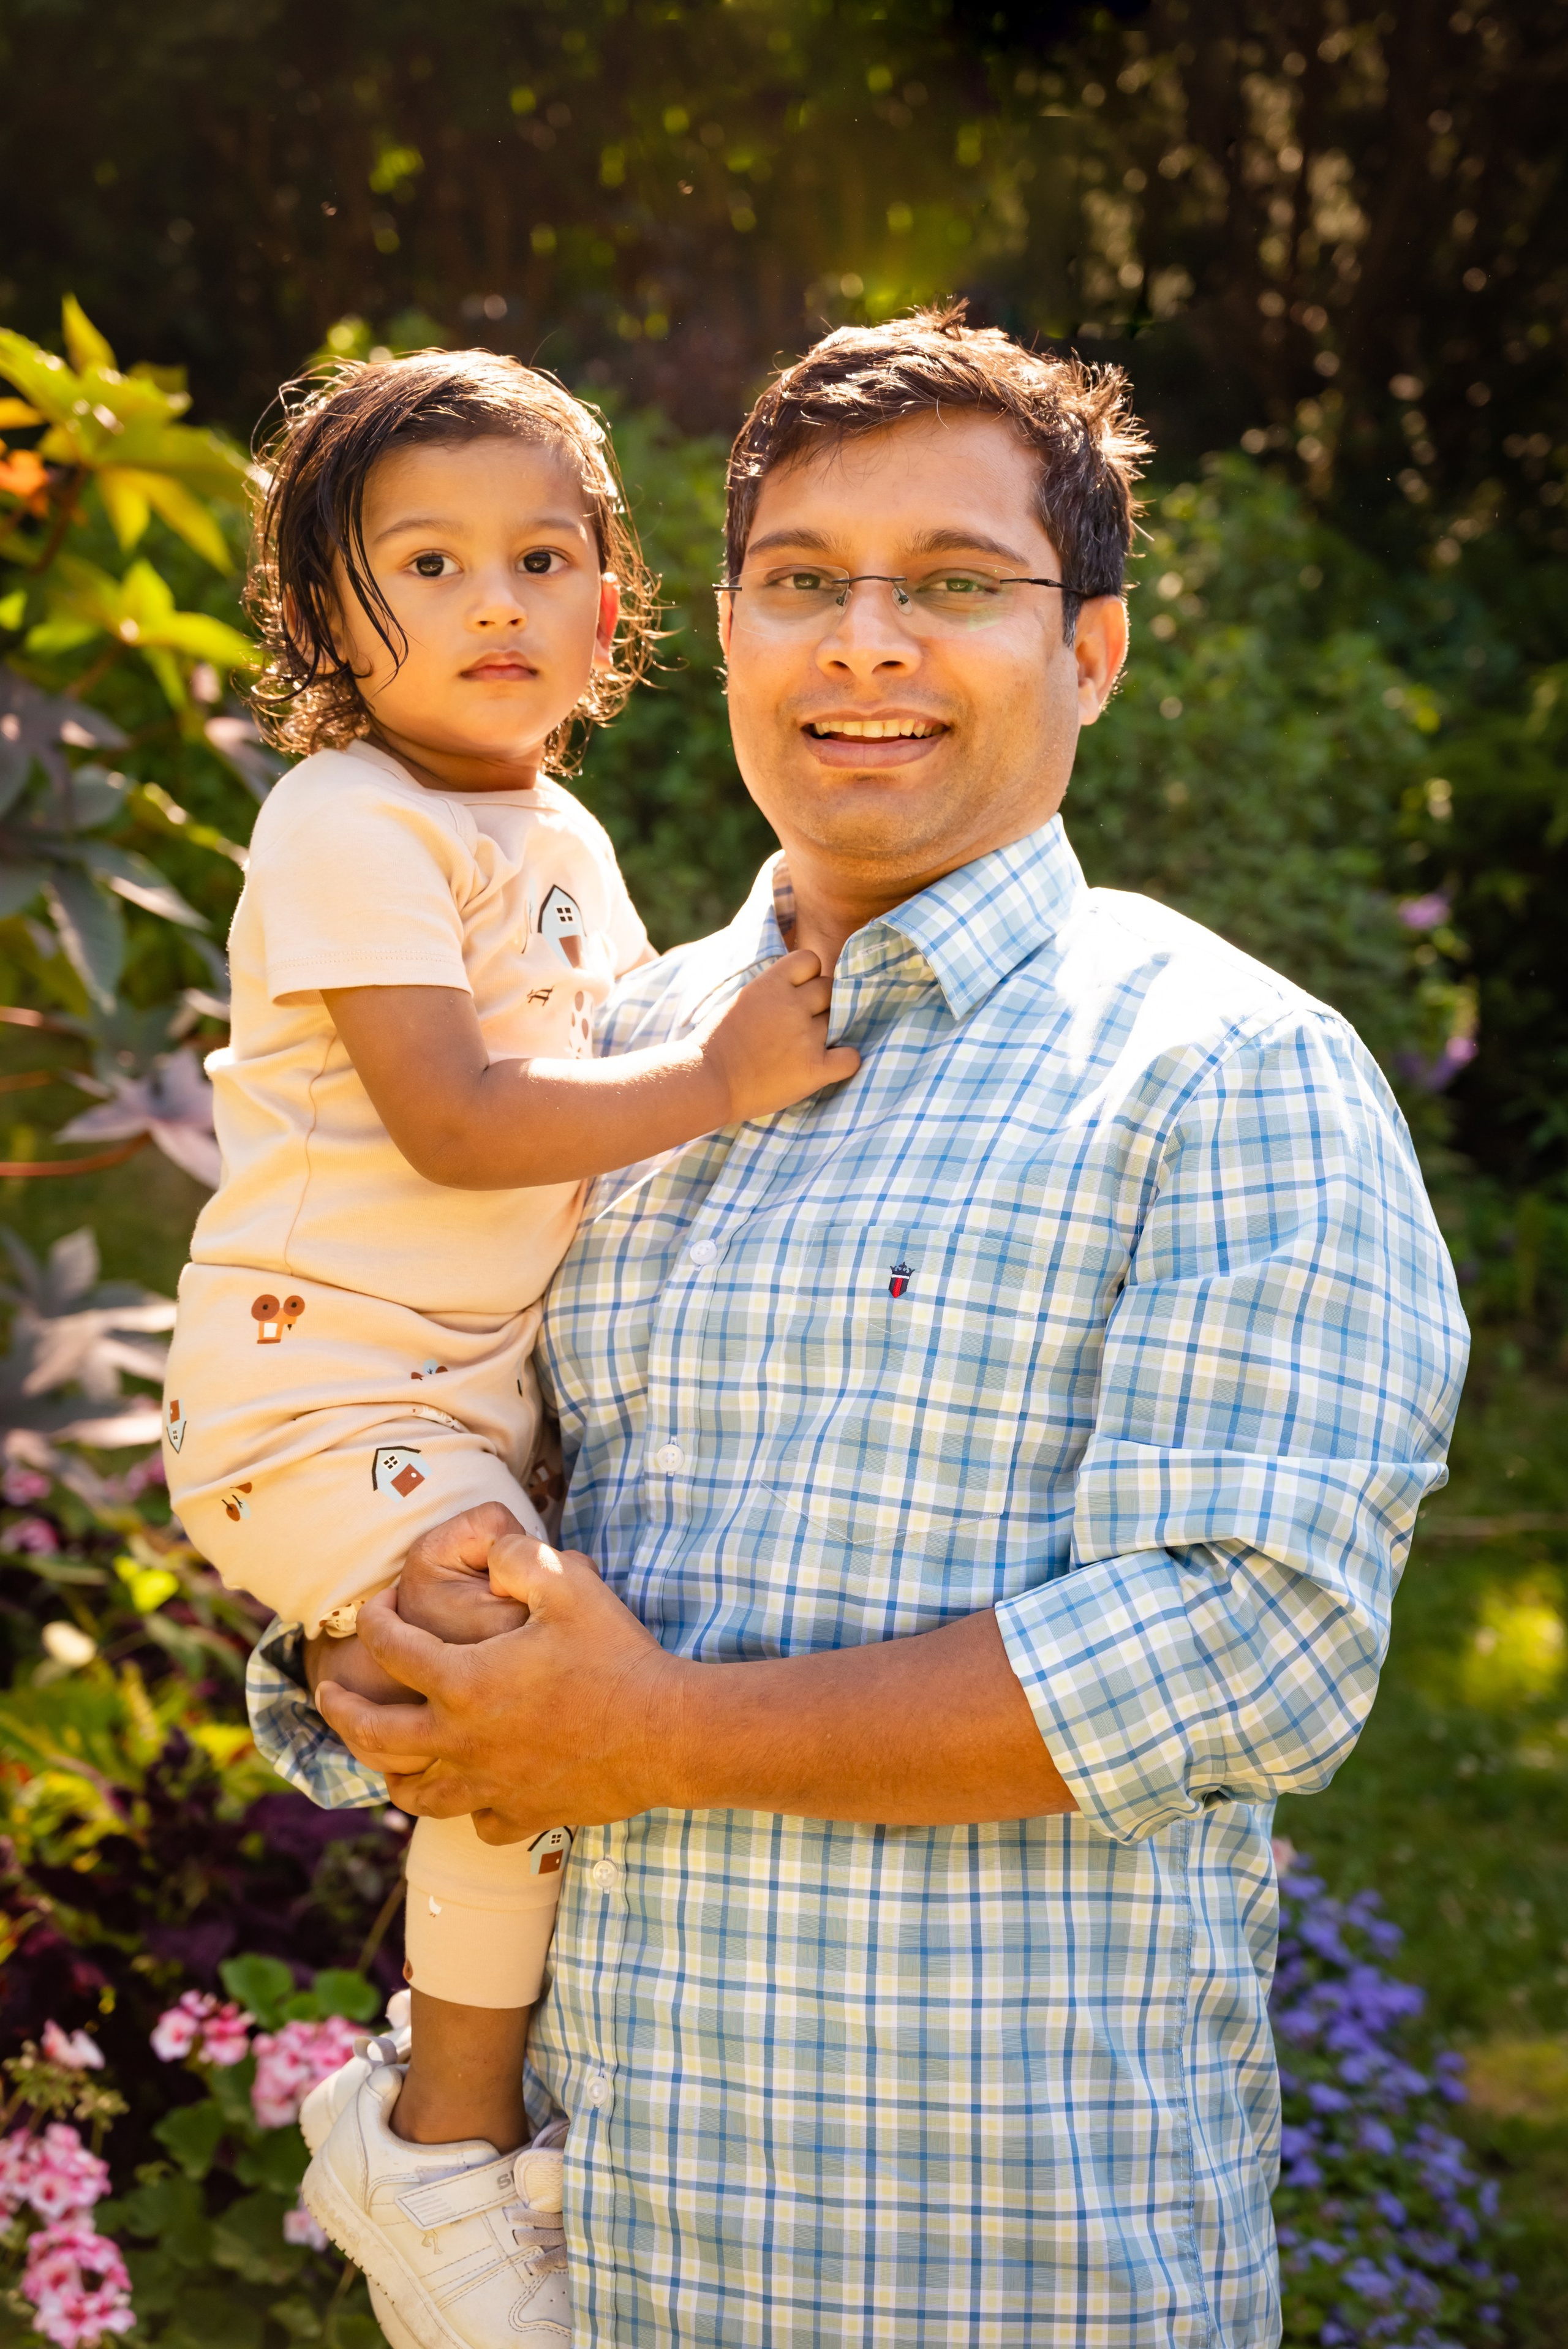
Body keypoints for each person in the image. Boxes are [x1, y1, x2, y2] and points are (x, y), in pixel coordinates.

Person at [266, 306, 1469, 2348]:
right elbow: (420, 1395)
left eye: (958, 587)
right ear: (722, 632)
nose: (865, 643)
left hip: (986, 2275)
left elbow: (1252, 1643)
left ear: (1090, 647)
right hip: (590, 2264)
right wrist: (361, 1623)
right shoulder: (602, 1052)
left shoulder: (1223, 1069)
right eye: (804, 583)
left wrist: (655, 1737)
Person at [162, 349, 856, 2348]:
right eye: (430, 561)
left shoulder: (556, 833)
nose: (494, 600)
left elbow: (613, 1064)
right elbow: (462, 1116)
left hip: (457, 1398)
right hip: (318, 1392)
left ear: (612, 616)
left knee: (533, 1707)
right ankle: (435, 2155)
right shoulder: (345, 817)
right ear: (325, 618)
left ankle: (478, 2121)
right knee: (509, 1663)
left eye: (541, 557)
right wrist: (724, 1086)